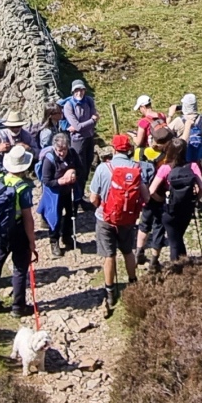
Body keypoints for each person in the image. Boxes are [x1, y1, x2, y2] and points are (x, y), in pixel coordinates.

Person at [85, 131, 146, 311]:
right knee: (128, 251)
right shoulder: (136, 168)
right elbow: (146, 196)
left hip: (105, 218)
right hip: (127, 218)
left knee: (109, 255)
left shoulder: (103, 168)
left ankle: (110, 292)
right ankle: (133, 282)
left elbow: (93, 198)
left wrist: (100, 207)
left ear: (113, 149)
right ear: (128, 149)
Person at [0, 145, 37, 314]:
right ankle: (18, 306)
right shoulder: (23, 187)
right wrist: (32, 241)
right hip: (17, 230)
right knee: (20, 267)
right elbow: (27, 217)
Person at [147, 138, 202, 269]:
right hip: (186, 209)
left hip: (170, 210)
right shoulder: (193, 166)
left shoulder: (165, 168)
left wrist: (160, 200)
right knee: (178, 237)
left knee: (175, 241)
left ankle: (178, 269)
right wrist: (195, 200)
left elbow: (151, 190)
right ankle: (184, 265)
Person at [37, 129, 77, 255]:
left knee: (71, 214)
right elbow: (46, 180)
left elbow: (80, 168)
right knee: (55, 217)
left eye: (64, 150)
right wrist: (61, 181)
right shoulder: (49, 160)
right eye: (59, 150)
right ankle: (54, 241)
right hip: (54, 193)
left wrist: (73, 172)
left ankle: (67, 237)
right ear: (55, 148)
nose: (62, 153)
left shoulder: (72, 153)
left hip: (69, 191)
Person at [135, 123, 171, 267]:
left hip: (144, 195)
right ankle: (154, 262)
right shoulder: (167, 156)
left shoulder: (139, 152)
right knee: (159, 228)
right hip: (160, 195)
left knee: (144, 224)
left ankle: (139, 253)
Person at [175, 93, 202, 163]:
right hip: (197, 155)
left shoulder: (179, 120)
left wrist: (169, 115)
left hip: (183, 155)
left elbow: (167, 132)